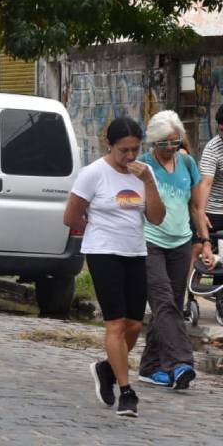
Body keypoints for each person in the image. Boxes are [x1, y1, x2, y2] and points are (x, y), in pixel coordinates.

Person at [64, 117, 165, 417]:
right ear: (109, 145)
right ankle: (126, 391)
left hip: (134, 252)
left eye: (135, 149)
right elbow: (71, 217)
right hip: (103, 252)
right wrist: (97, 229)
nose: (130, 157)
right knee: (116, 324)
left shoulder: (144, 174)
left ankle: (106, 368)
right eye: (124, 150)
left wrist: (147, 181)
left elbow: (157, 218)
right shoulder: (93, 173)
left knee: (135, 325)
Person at [137, 111, 211, 390]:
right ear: (153, 143)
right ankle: (180, 363)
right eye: (163, 143)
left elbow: (195, 206)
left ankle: (150, 367)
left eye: (174, 142)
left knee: (168, 306)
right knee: (164, 302)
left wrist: (203, 242)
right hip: (150, 241)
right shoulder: (143, 166)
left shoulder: (188, 163)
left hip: (180, 243)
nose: (169, 148)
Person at [197, 104, 223, 268]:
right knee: (203, 252)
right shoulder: (213, 148)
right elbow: (205, 183)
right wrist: (201, 212)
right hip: (214, 210)